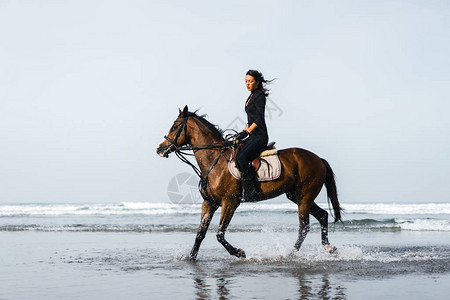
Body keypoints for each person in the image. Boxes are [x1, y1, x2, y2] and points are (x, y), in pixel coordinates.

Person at [234, 69, 271, 202]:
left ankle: (251, 191)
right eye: (246, 81)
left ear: (257, 82)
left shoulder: (259, 96)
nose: (247, 84)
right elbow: (250, 120)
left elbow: (258, 119)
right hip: (252, 135)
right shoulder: (250, 96)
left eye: (250, 81)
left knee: (242, 157)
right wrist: (241, 133)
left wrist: (247, 132)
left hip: (260, 136)